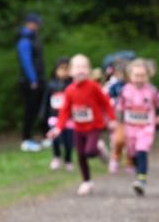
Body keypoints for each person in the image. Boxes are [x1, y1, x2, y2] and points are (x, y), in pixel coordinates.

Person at [47, 54, 115, 196]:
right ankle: (86, 181)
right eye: (77, 67)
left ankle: (98, 149)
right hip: (79, 127)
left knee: (89, 151)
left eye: (84, 67)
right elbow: (64, 111)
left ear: (89, 70)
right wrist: (58, 128)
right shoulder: (70, 90)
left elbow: (106, 103)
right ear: (71, 71)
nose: (81, 70)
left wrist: (112, 119)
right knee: (81, 155)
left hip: (94, 126)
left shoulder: (93, 87)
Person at [116, 59, 159, 195]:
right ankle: (136, 168)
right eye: (136, 76)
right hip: (130, 127)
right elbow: (119, 107)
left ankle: (141, 179)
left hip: (146, 127)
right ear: (130, 76)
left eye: (142, 76)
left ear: (148, 76)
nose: (139, 79)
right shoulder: (125, 90)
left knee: (142, 149)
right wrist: (118, 122)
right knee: (133, 151)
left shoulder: (152, 91)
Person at [17, 13, 46, 152]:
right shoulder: (25, 40)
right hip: (30, 82)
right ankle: (26, 138)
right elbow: (26, 61)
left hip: (38, 79)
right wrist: (33, 79)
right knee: (30, 110)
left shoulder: (34, 38)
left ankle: (36, 135)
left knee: (36, 109)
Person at [42, 56, 74, 171]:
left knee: (68, 141)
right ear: (56, 70)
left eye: (67, 68)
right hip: (54, 116)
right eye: (61, 68)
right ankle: (56, 156)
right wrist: (43, 114)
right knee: (55, 138)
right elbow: (46, 101)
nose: (64, 71)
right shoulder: (51, 85)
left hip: (69, 118)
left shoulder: (73, 86)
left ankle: (68, 159)